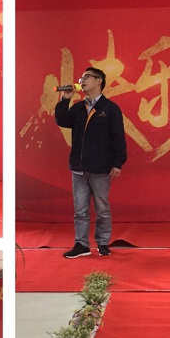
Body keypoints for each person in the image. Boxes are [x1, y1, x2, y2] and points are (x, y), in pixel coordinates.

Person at [55, 67, 127, 258]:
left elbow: (118, 137)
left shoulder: (110, 109)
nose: (82, 80)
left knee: (102, 209)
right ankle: (81, 244)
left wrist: (118, 163)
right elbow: (62, 120)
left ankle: (103, 243)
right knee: (80, 210)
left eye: (86, 77)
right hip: (78, 168)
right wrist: (65, 99)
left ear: (98, 81)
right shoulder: (78, 108)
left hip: (101, 169)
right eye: (81, 77)